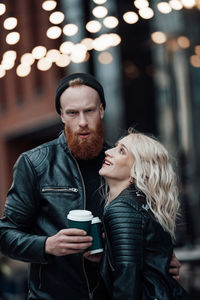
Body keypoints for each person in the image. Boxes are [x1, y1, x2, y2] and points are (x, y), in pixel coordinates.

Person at [0, 73, 181, 300]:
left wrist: (159, 259)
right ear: (61, 116)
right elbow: (5, 235)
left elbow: (145, 223)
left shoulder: (118, 164)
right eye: (73, 113)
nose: (82, 122)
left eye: (90, 111)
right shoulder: (35, 163)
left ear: (102, 110)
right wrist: (47, 245)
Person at [98, 130, 190, 300]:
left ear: (137, 170)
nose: (107, 151)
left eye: (121, 150)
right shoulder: (144, 205)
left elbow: (127, 281)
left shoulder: (122, 209)